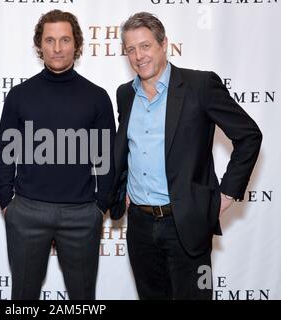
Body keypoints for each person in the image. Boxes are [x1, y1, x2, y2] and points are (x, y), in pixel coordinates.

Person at [109, 12, 262, 299]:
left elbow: (249, 135)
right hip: (140, 225)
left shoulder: (200, 86)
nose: (138, 56)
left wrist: (226, 194)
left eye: (145, 46)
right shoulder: (125, 94)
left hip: (186, 224)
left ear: (163, 44)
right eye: (131, 49)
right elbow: (130, 146)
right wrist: (124, 186)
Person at [0, 9, 116, 300]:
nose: (58, 48)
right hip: (26, 212)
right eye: (50, 40)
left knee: (82, 297)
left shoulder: (97, 96)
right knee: (23, 297)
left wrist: (100, 206)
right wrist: (5, 199)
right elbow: (5, 151)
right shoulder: (19, 95)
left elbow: (107, 157)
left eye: (65, 40)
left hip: (81, 214)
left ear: (77, 44)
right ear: (40, 45)